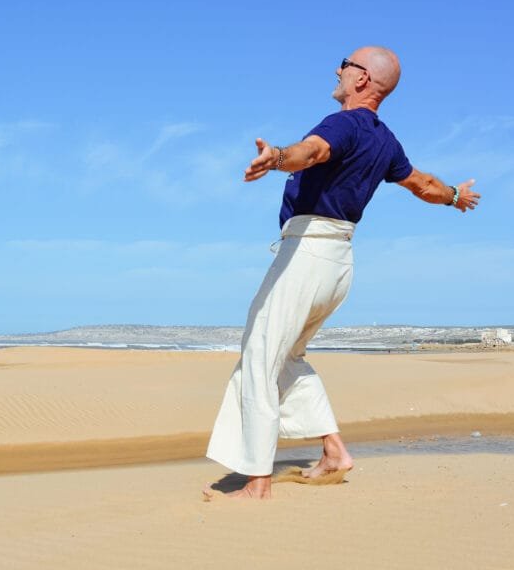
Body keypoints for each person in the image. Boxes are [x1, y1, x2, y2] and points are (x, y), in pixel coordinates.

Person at [204, 46, 480, 500]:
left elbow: (310, 152)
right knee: (286, 357)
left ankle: (257, 481)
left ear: (363, 80)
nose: (337, 69)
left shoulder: (343, 123)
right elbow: (422, 184)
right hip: (338, 263)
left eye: (346, 64)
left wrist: (276, 157)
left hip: (307, 255)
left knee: (260, 356)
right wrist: (453, 195)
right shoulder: (385, 139)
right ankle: (333, 452)